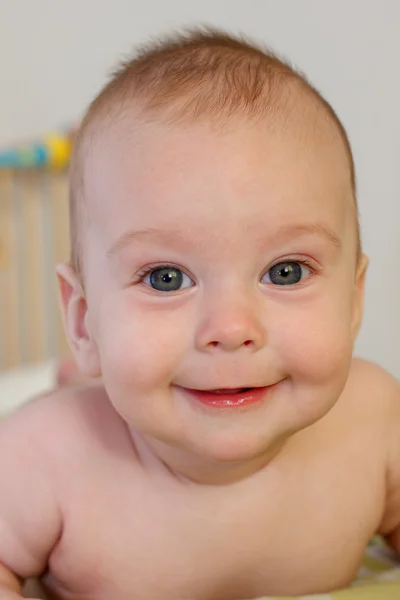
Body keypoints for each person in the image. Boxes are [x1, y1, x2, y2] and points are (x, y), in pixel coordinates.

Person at [1, 28, 399, 600]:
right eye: (167, 278)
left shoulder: (376, 424)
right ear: (84, 320)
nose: (233, 329)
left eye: (285, 271)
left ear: (354, 298)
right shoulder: (43, 456)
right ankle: (72, 378)